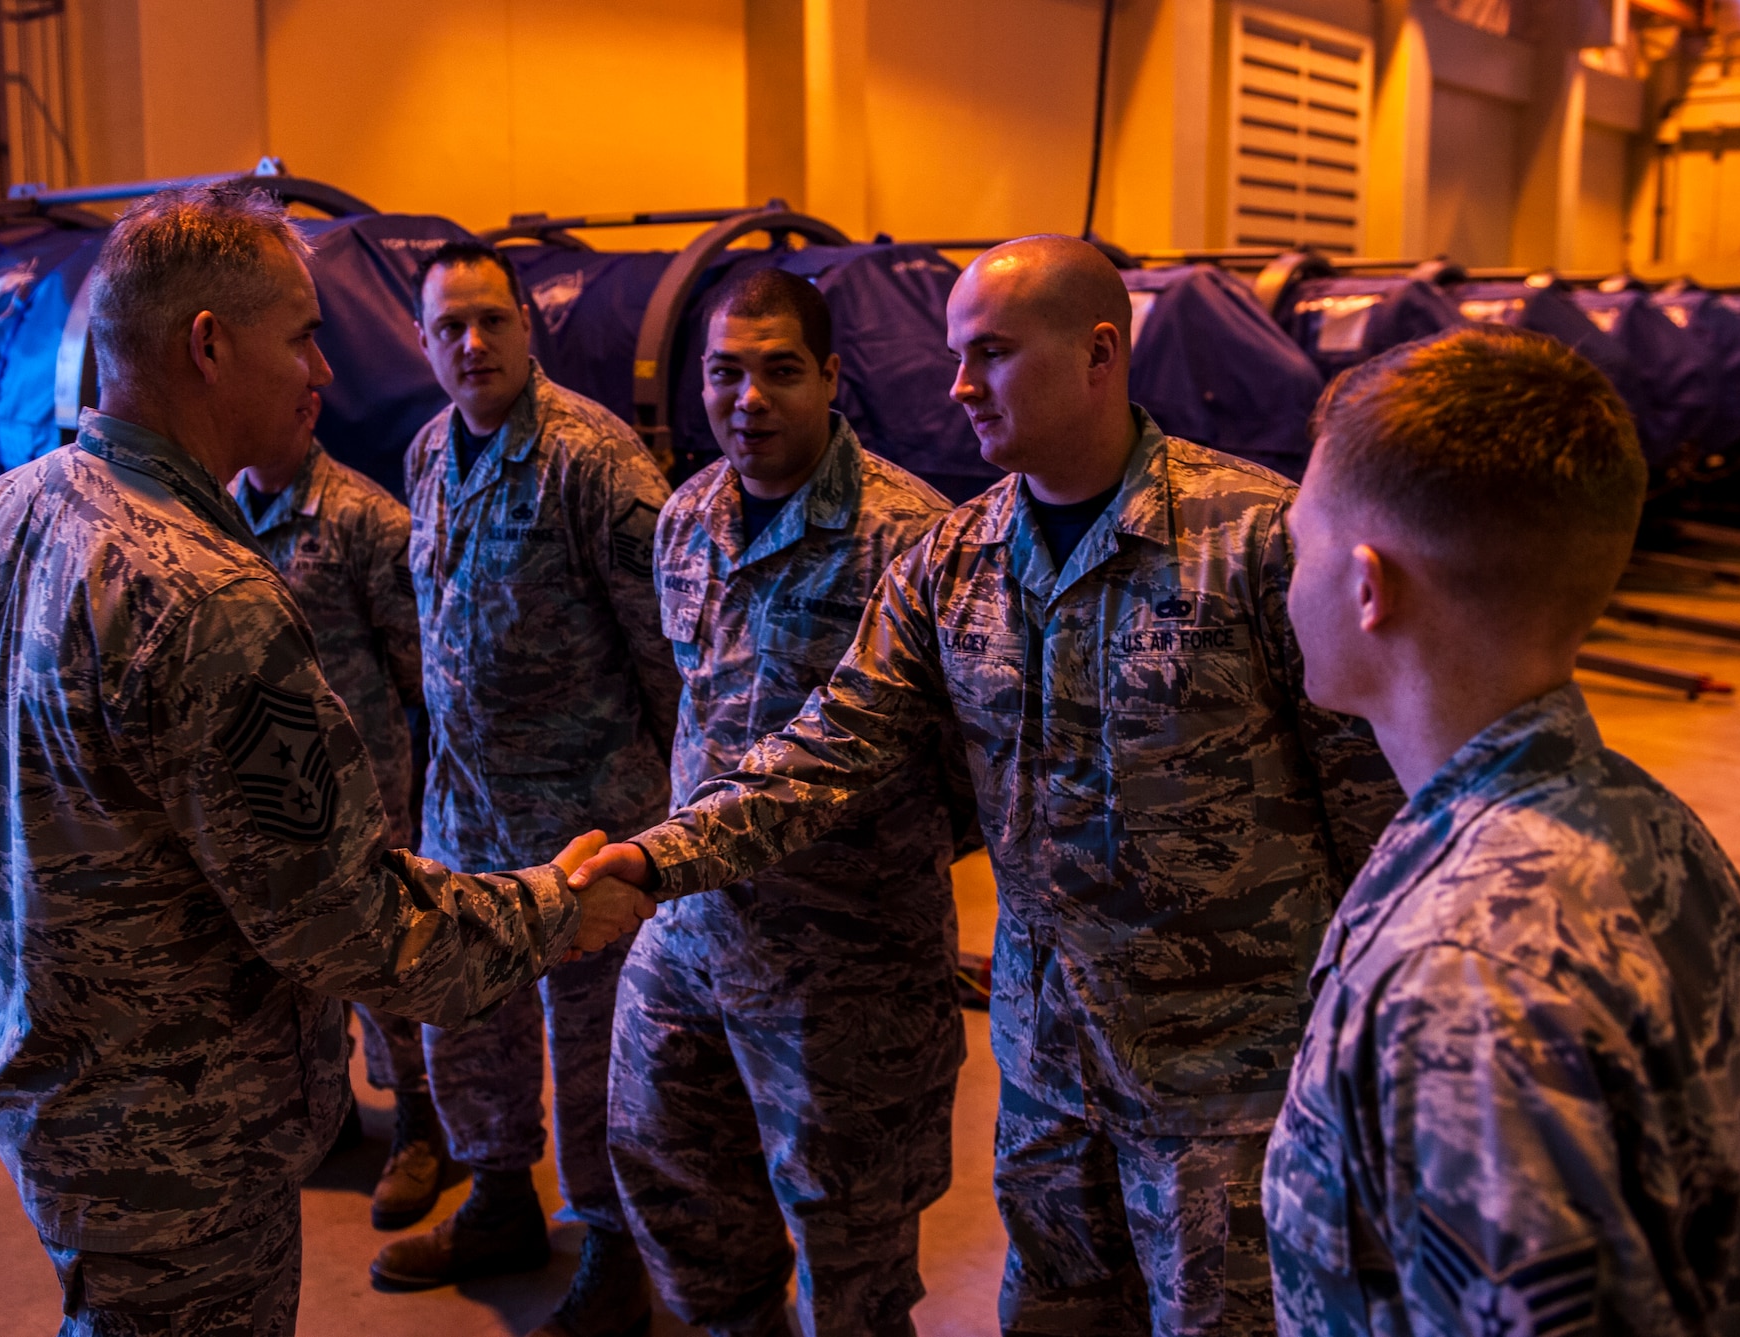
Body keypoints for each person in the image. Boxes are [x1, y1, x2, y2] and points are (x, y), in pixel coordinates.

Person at [575, 235, 1403, 1335]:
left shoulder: (1253, 538)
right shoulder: (955, 560)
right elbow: (827, 749)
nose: (958, 386)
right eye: (956, 355)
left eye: (993, 354)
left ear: (1099, 353)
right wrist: (653, 857)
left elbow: (1375, 811)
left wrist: (1374, 1060)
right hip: (1049, 1075)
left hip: (1227, 1088)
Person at [0, 184, 653, 1337]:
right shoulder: (209, 597)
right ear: (208, 344)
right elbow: (353, 927)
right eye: (301, 336)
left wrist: (94, 874)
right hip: (186, 1133)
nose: (324, 370)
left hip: (50, 1092)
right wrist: (557, 907)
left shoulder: (6, 512)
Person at [1263, 325, 1740, 1333]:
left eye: (1298, 544)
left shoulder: (1465, 981)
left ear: (1367, 587)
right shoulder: (1647, 824)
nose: (1283, 577)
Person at [608, 268, 969, 1337]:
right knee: (674, 1178)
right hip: (693, 933)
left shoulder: (909, 537)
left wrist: (867, 870)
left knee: (851, 1247)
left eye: (779, 372)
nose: (748, 399)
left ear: (831, 376)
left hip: (847, 962)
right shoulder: (686, 517)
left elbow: (969, 770)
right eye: (725, 373)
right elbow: (681, 698)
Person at [380, 239, 682, 1337]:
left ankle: (613, 1247)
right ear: (422, 341)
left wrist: (668, 814)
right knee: (468, 1018)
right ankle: (500, 1198)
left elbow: (667, 647)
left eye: (491, 320)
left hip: (587, 818)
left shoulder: (590, 458)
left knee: (599, 1052)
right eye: (449, 326)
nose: (473, 343)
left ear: (526, 325)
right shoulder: (428, 453)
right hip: (466, 812)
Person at [231, 411, 448, 1231]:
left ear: (308, 407)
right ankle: (329, 1110)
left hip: (363, 787)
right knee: (292, 958)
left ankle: (423, 1121)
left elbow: (419, 670)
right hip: (265, 783)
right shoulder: (217, 513)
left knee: (387, 959)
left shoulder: (365, 519)